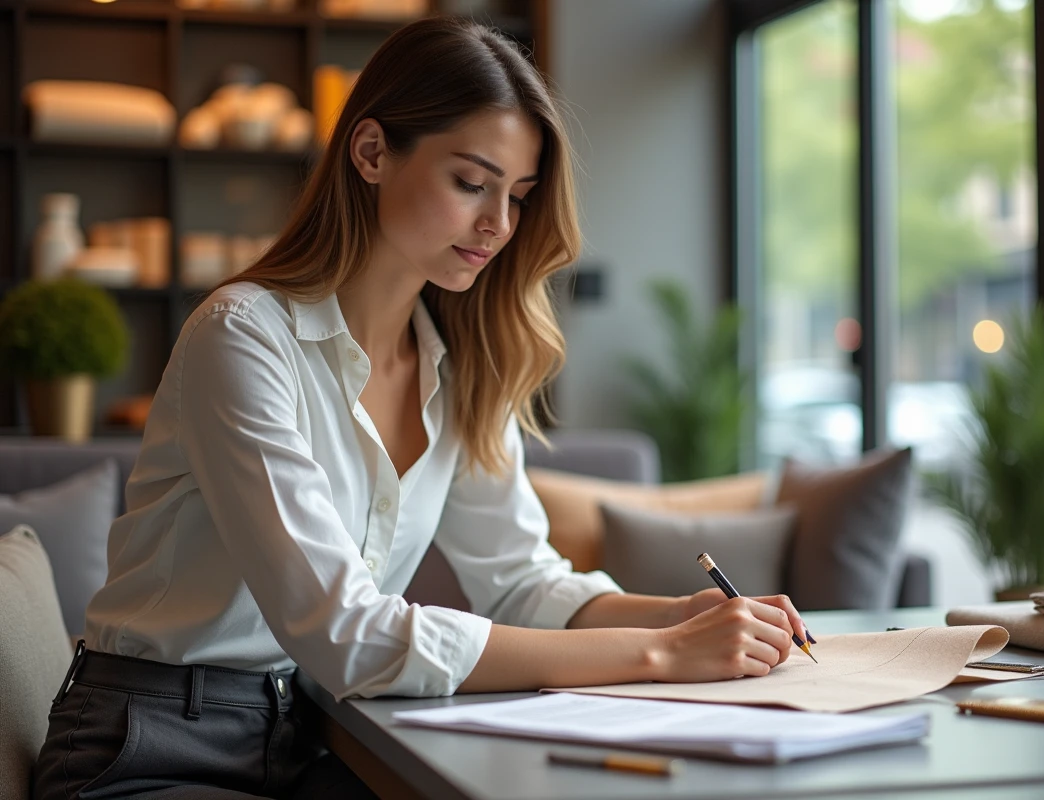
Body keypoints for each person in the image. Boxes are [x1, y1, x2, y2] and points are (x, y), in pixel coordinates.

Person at [33, 16, 810, 800]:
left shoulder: (462, 361)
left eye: (518, 196)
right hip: (151, 745)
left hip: (316, 735)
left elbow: (520, 584)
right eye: (471, 183)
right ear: (371, 153)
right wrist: (662, 657)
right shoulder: (242, 338)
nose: (498, 225)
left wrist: (683, 618)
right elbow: (347, 635)